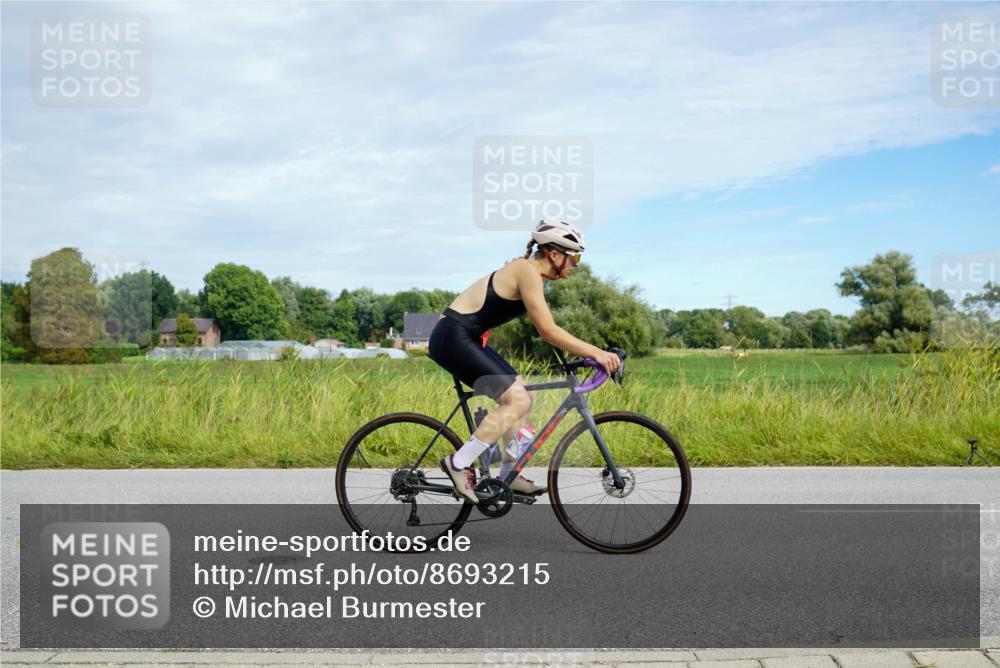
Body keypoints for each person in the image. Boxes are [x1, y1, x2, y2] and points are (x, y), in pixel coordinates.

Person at [427, 219, 623, 503]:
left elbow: (548, 330)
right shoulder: (526, 270)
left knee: (524, 397)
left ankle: (509, 474)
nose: (576, 265)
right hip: (453, 337)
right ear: (554, 254)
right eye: (575, 257)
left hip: (466, 337)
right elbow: (548, 331)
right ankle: (458, 463)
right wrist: (597, 353)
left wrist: (585, 355)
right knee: (516, 400)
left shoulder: (532, 276)